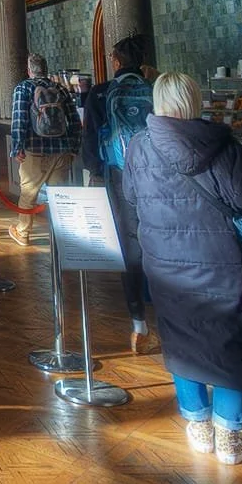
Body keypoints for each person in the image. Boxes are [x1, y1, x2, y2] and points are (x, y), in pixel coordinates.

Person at [117, 73, 242, 465]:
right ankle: (229, 436)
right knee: (232, 341)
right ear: (195, 100)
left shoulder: (138, 147)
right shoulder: (224, 146)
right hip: (223, 262)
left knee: (181, 337)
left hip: (164, 262)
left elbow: (131, 198)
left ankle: (199, 425)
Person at [83, 36, 157, 352]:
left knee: (130, 245)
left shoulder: (101, 92)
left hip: (119, 174)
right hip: (158, 174)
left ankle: (139, 324)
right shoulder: (156, 89)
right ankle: (168, 308)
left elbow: (90, 138)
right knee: (163, 238)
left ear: (115, 61)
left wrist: (95, 172)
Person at [7, 53, 80, 245]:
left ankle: (23, 232)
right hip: (61, 150)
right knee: (59, 195)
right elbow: (74, 120)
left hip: (34, 150)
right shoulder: (60, 89)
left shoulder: (23, 88)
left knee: (28, 195)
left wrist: (17, 147)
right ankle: (63, 237)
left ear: (29, 70)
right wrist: (74, 146)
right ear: (46, 70)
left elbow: (19, 119)